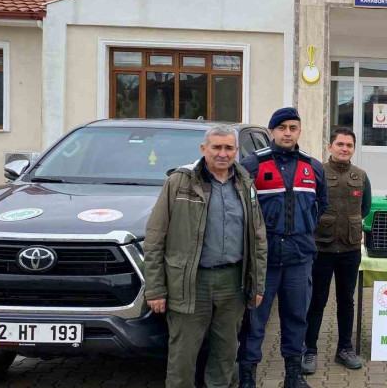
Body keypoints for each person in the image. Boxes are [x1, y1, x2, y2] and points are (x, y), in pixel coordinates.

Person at [143, 125, 267, 388]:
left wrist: (257, 284)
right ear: (204, 149)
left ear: (236, 150)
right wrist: (155, 289)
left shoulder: (245, 183)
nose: (222, 154)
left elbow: (258, 237)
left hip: (233, 282)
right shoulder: (179, 182)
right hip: (190, 283)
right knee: (183, 357)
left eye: (228, 148)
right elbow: (155, 237)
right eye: (216, 147)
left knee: (225, 355)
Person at [237, 107, 328, 388]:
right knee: (255, 321)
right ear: (272, 131)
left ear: (299, 131)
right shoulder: (252, 165)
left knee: (296, 317)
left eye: (293, 128)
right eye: (282, 128)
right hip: (263, 259)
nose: (287, 133)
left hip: (299, 258)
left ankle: (294, 375)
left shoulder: (312, 166)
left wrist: (304, 227)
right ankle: (248, 377)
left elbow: (321, 204)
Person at [302, 127, 372, 374]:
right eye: (340, 144)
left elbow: (365, 207)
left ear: (353, 148)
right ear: (329, 146)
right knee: (317, 300)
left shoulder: (361, 175)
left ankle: (345, 349)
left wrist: (350, 225)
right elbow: (308, 205)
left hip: (350, 249)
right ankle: (309, 350)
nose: (344, 149)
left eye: (349, 145)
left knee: (347, 301)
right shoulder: (316, 171)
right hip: (322, 248)